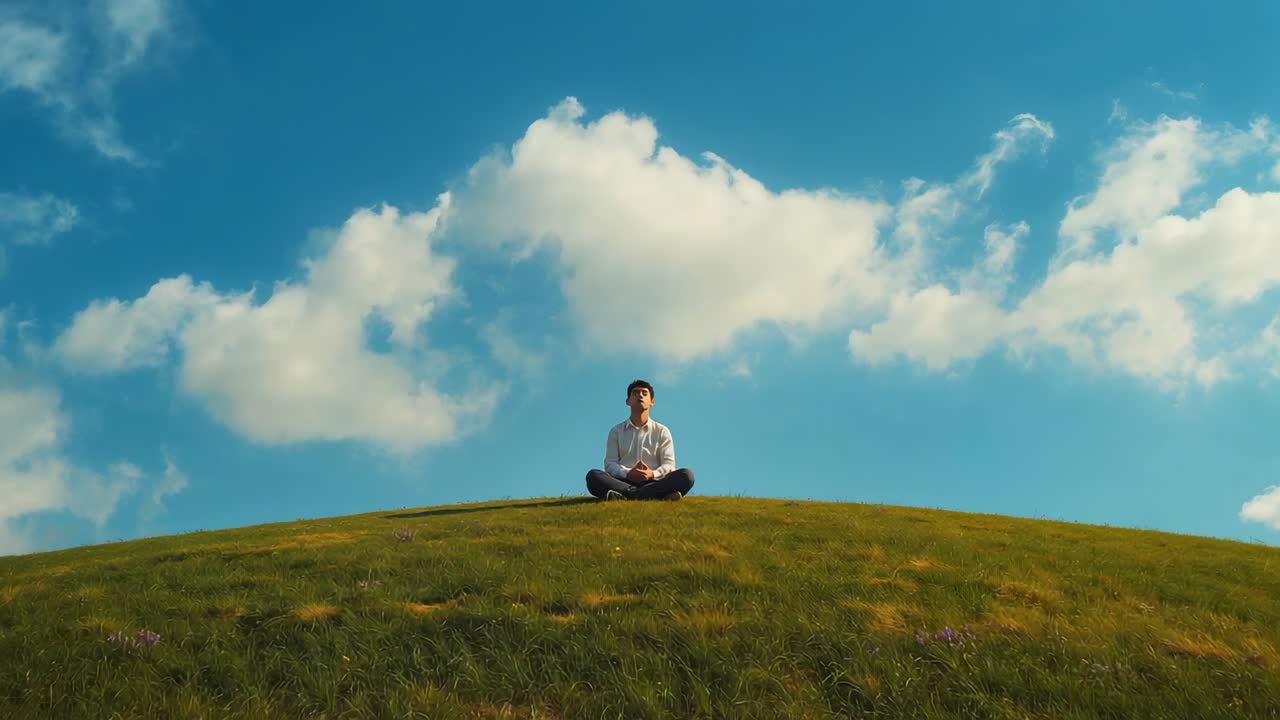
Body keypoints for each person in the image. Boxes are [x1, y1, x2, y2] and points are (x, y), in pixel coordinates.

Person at [585, 379, 696, 501]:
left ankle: (630, 496)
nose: (640, 395)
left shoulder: (662, 431)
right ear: (628, 401)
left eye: (644, 393)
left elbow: (669, 465)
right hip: (623, 482)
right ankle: (650, 496)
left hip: (654, 482)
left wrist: (652, 474)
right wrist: (628, 473)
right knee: (593, 476)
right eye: (635, 393)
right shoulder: (616, 431)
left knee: (686, 475)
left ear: (651, 402)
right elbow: (610, 464)